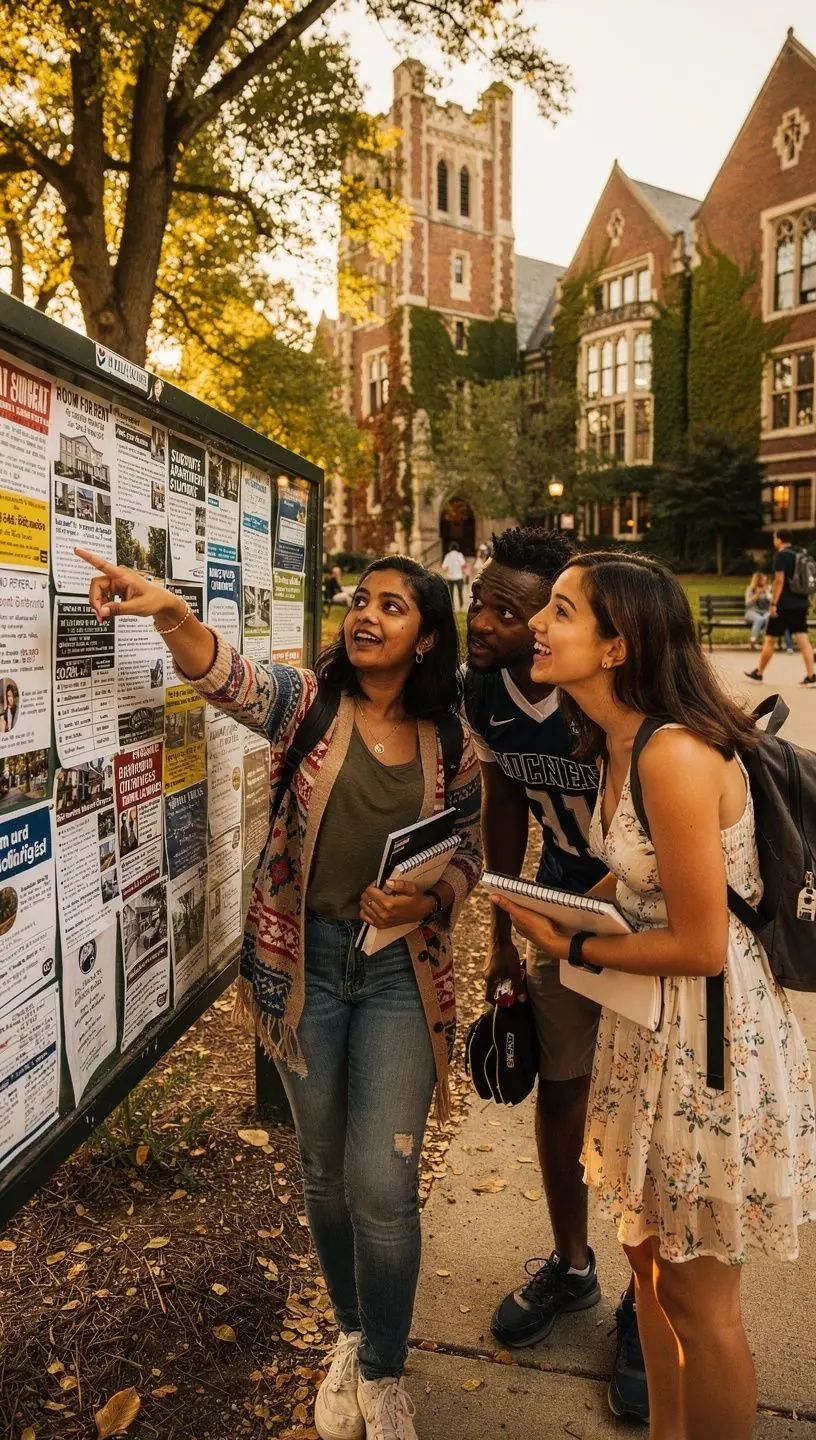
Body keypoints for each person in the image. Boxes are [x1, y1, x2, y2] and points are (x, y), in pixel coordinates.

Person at [76, 545, 481, 1440]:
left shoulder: (451, 740)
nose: (366, 615)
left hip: (398, 973)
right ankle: (349, 1332)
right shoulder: (310, 704)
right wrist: (170, 612)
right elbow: (227, 677)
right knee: (325, 1168)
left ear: (424, 639)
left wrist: (429, 896)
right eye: (360, 600)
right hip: (302, 970)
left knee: (384, 1179)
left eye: (392, 606)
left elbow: (473, 851)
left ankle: (383, 1368)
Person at [491, 550, 815, 1440]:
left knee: (702, 1306)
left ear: (617, 644)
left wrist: (575, 942)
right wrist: (540, 900)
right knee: (647, 1266)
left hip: (709, 1042)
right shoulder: (615, 741)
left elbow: (704, 944)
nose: (537, 625)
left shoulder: (673, 753)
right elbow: (638, 886)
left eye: (560, 610)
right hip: (652, 1033)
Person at [462, 526, 647, 1423]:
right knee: (562, 1093)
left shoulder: (621, 699)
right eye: (482, 602)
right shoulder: (481, 691)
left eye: (514, 609)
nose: (487, 621)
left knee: (650, 1109)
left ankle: (651, 1304)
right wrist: (506, 932)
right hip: (559, 902)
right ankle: (574, 1265)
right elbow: (501, 796)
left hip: (644, 921)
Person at [745, 530, 815, 686]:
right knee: (803, 639)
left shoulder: (781, 556)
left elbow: (779, 581)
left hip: (783, 605)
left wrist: (774, 603)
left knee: (770, 639)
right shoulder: (800, 555)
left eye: (774, 538)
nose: (773, 540)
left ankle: (759, 673)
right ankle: (811, 675)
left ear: (779, 540)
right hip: (800, 604)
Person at [742, 571, 770, 649]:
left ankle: (764, 641)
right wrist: (757, 595)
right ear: (758, 581)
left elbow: (772, 602)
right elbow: (747, 604)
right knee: (760, 619)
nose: (765, 583)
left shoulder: (768, 589)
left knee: (767, 618)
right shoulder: (750, 589)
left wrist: (767, 593)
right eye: (763, 580)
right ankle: (753, 640)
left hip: (765, 612)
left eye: (766, 581)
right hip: (751, 612)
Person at [441, 542, 466, 611]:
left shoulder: (448, 556)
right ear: (457, 548)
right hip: (459, 577)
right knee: (460, 592)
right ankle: (461, 607)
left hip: (450, 577)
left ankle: (452, 608)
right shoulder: (460, 555)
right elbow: (463, 565)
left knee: (451, 594)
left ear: (450, 548)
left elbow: (444, 567)